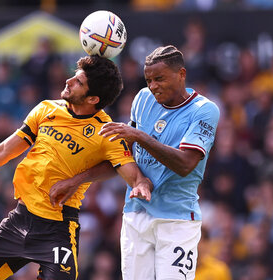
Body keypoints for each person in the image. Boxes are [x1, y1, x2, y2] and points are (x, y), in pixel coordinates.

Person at [0, 55, 153, 280]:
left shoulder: (106, 132)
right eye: (74, 76)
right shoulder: (46, 109)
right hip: (19, 220)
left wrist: (140, 183)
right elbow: (4, 151)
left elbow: (130, 173)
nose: (68, 81)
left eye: (78, 82)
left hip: (58, 229)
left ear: (93, 99)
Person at [50, 45, 220, 280]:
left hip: (177, 219)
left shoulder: (204, 110)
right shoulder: (142, 99)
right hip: (136, 214)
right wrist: (76, 181)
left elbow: (185, 164)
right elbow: (121, 159)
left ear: (181, 74)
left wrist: (139, 135)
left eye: (159, 79)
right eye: (148, 80)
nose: (153, 86)